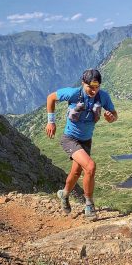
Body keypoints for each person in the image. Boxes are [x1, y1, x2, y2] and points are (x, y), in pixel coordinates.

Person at [45, 69, 118, 220]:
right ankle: (89, 205)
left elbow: (114, 115)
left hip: (86, 140)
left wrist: (110, 117)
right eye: (90, 87)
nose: (93, 90)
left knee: (77, 172)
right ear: (83, 83)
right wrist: (51, 121)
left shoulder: (103, 97)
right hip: (70, 139)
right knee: (90, 166)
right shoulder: (72, 93)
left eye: (96, 87)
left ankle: (64, 194)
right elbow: (51, 98)